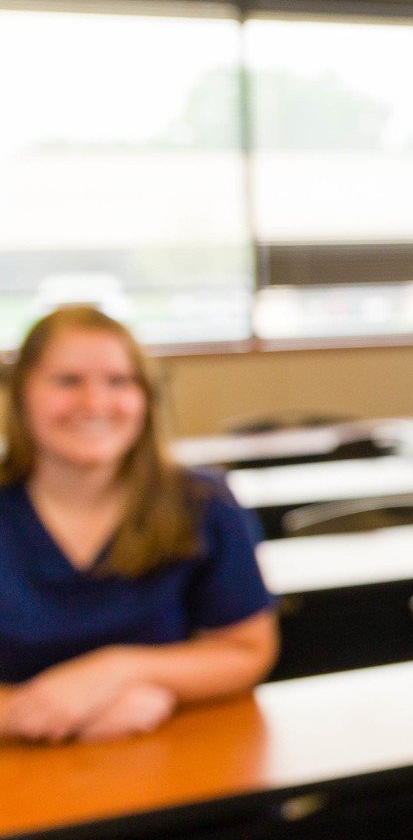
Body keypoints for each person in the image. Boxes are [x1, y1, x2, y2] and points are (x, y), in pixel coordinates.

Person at [0, 306, 277, 742]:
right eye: (67, 381)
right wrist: (38, 712)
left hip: (164, 757)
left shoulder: (203, 503)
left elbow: (247, 651)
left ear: (146, 398)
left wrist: (117, 670)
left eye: (119, 381)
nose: (94, 403)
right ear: (21, 392)